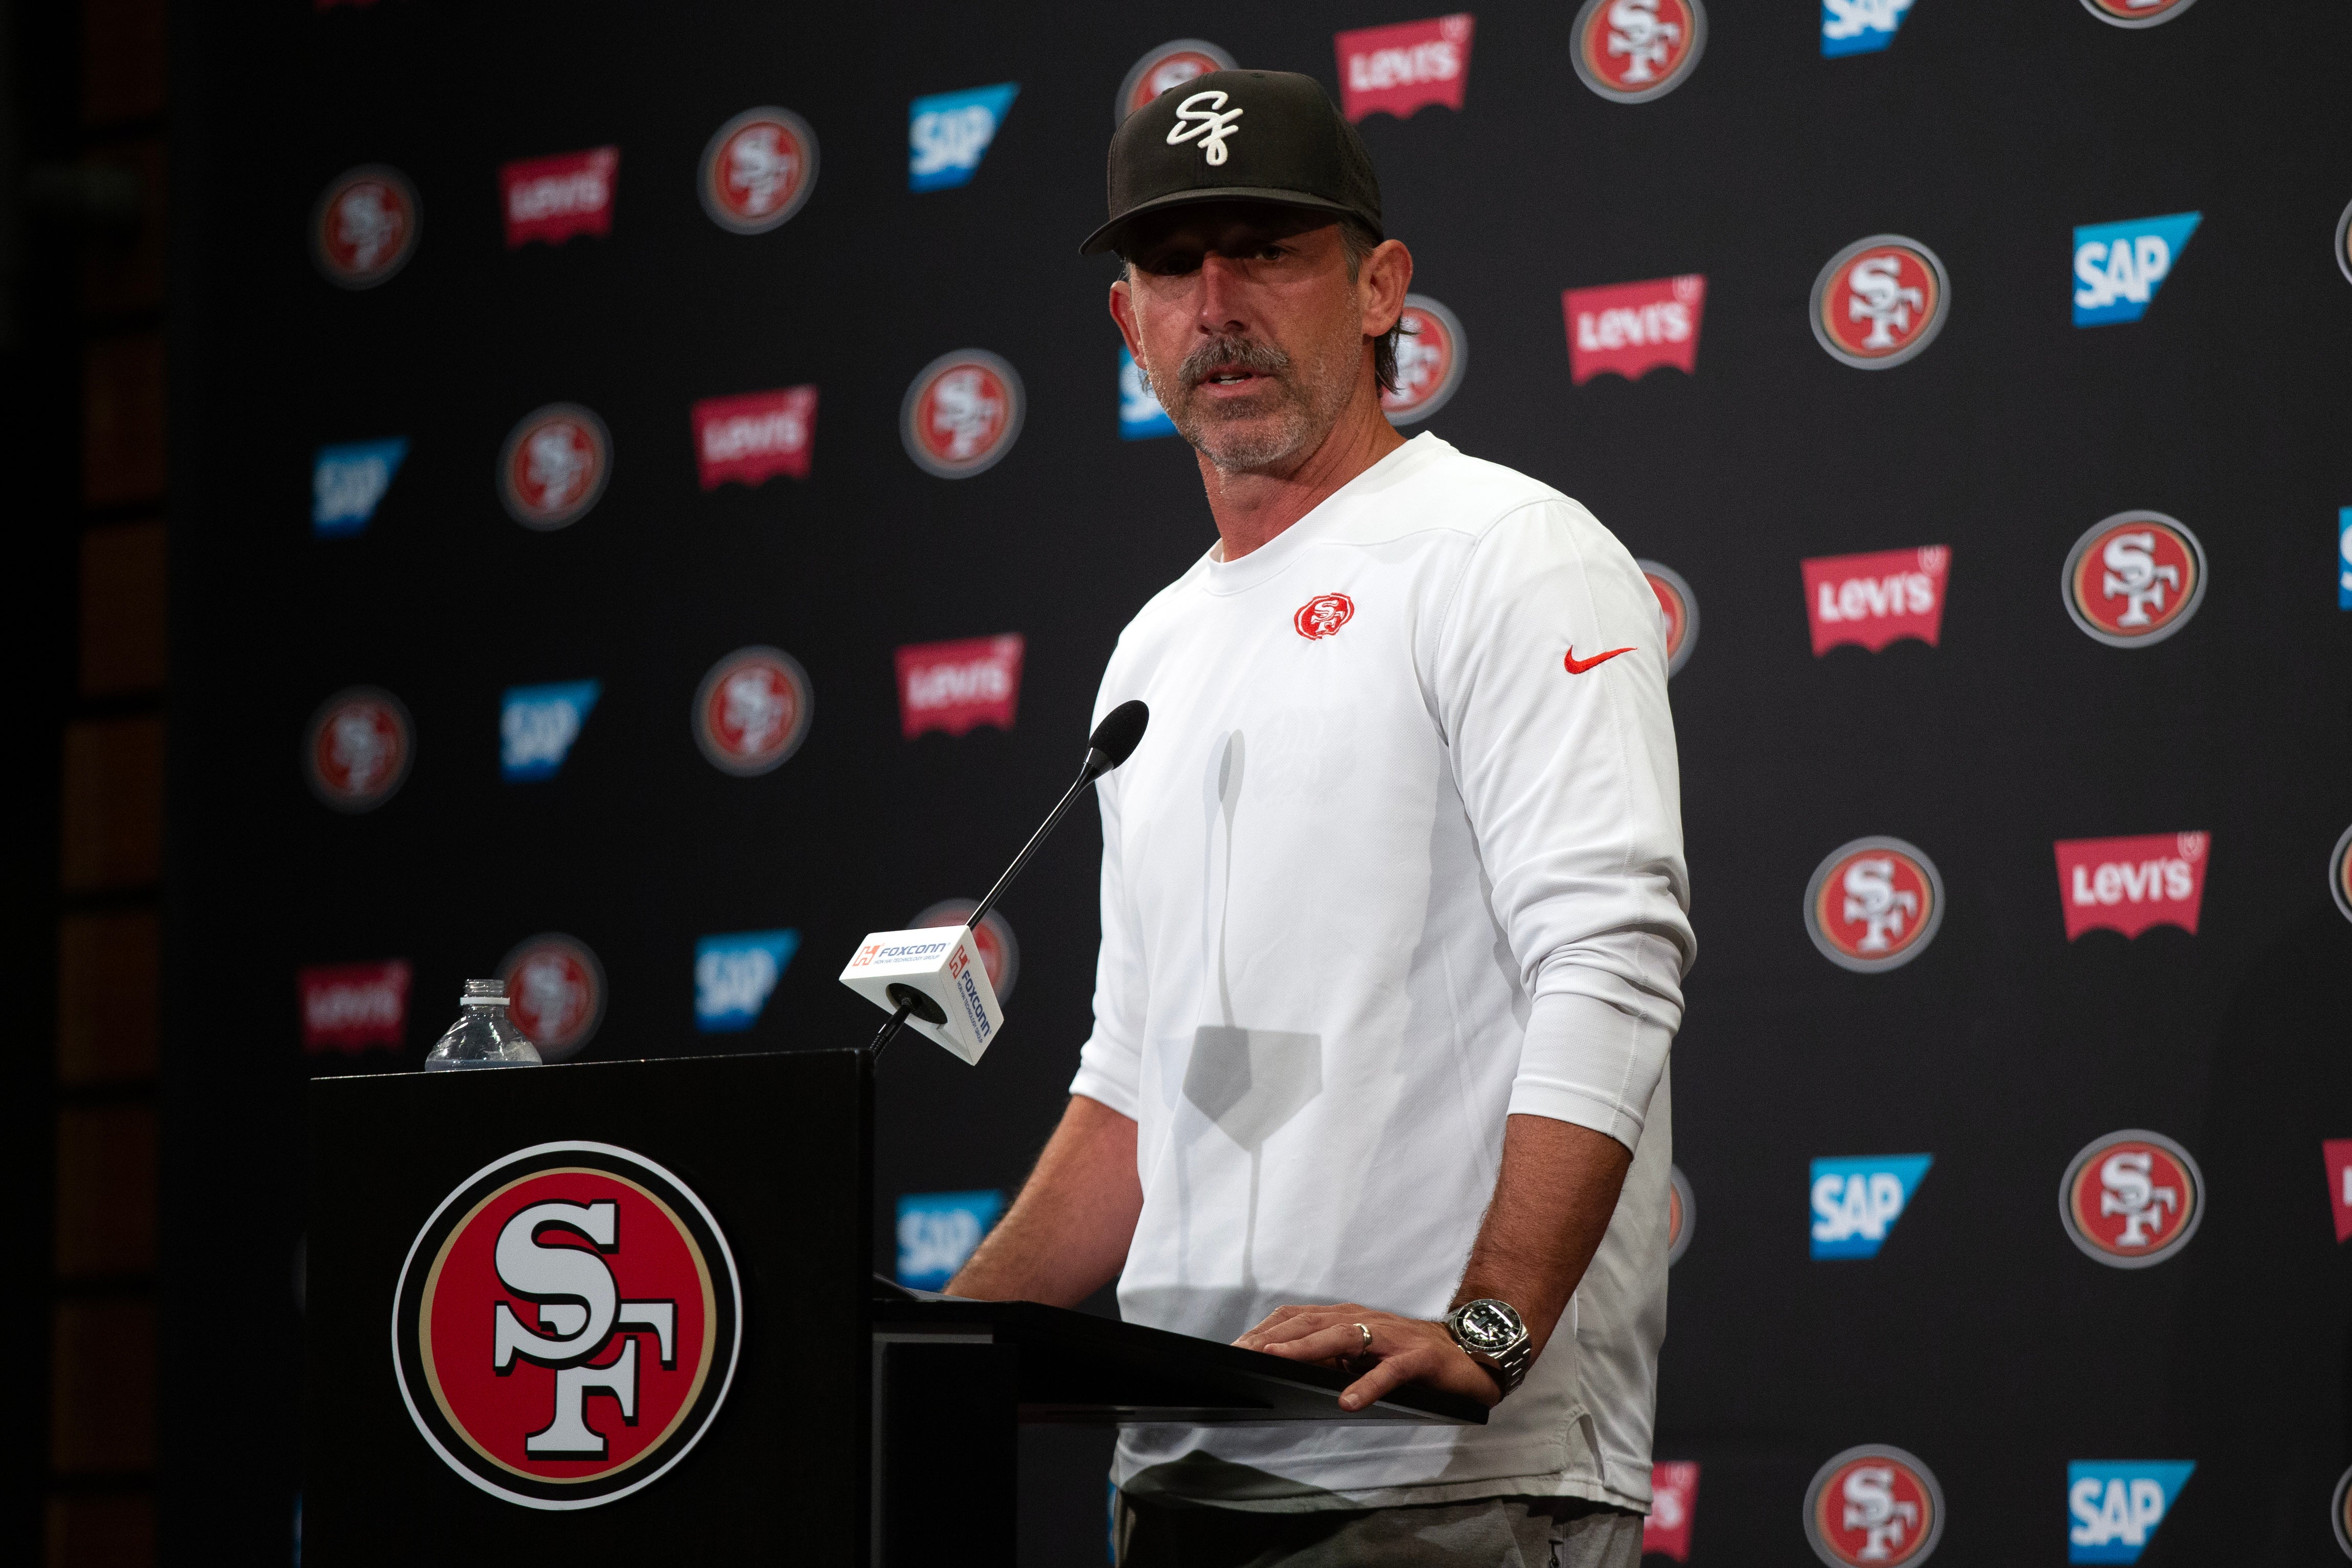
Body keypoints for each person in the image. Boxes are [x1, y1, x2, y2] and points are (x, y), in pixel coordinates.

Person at [947, 69, 1695, 1568]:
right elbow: (1134, 1082)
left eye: (1266, 250)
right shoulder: (1155, 643)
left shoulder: (1509, 554)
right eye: (1170, 267)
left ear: (1376, 287)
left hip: (1443, 1474)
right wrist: (936, 1345)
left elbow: (1608, 961)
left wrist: (1489, 1325)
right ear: (1128, 325)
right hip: (1178, 1464)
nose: (1215, 304)